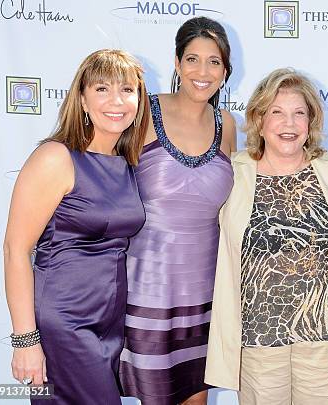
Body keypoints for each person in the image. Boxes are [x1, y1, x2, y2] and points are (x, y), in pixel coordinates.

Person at [204, 68, 328, 405]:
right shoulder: (233, 172)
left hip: (325, 340)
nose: (289, 124)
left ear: (311, 121)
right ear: (259, 120)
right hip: (257, 343)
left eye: (299, 113)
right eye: (276, 113)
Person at [3, 49, 149, 404]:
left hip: (109, 321)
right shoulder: (56, 158)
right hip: (64, 321)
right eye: (102, 89)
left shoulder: (126, 162)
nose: (117, 101)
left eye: (127, 90)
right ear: (82, 99)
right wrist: (25, 340)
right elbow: (15, 251)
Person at [118, 17, 236, 405]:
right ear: (176, 62)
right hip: (145, 294)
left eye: (214, 62)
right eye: (193, 59)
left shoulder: (229, 125)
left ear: (225, 70)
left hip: (204, 297)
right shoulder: (141, 114)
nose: (202, 72)